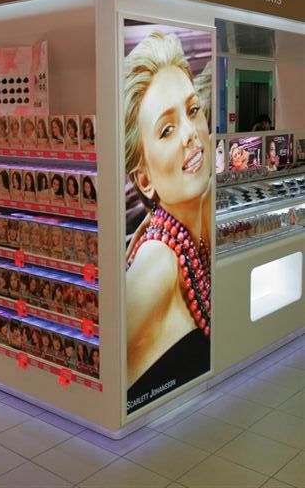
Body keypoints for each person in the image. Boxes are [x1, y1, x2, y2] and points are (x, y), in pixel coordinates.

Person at [124, 30, 211, 405]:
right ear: (144, 178)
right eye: (167, 129)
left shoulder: (199, 232)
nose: (191, 134)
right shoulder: (156, 265)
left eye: (193, 111)